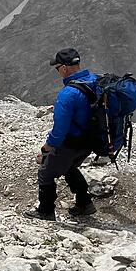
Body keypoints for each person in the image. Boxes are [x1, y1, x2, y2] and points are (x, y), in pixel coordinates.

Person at [25, 48, 98, 221]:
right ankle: (85, 203)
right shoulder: (94, 80)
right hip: (91, 141)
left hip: (72, 143)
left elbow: (59, 132)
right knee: (69, 167)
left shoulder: (68, 93)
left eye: (57, 68)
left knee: (45, 172)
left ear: (64, 68)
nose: (57, 72)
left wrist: (46, 148)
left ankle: (45, 211)